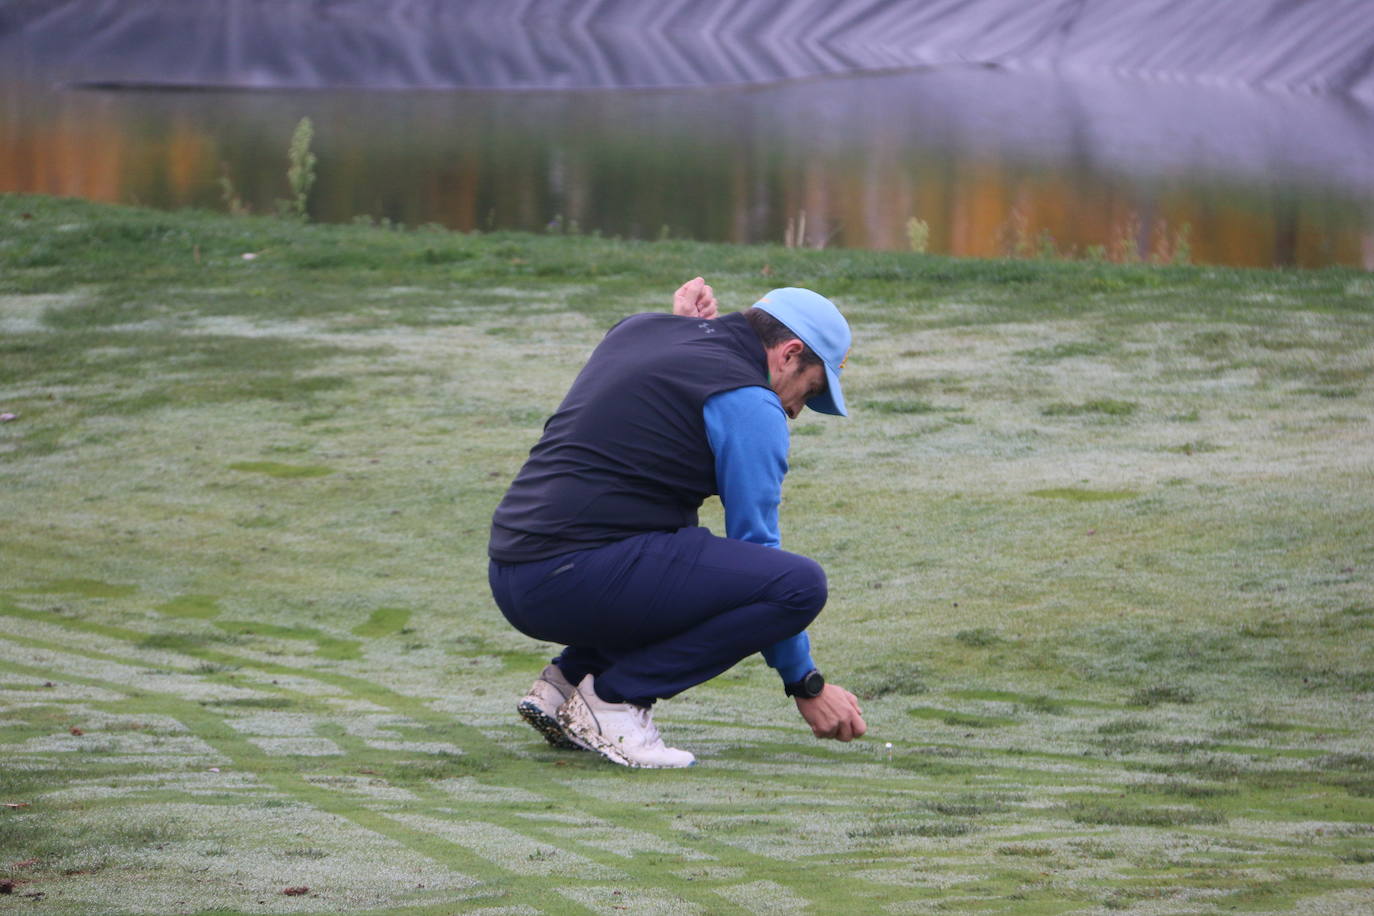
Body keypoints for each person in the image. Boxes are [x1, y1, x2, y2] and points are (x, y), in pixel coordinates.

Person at [487, 277, 867, 768]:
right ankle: (616, 701)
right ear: (790, 353)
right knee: (796, 586)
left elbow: (648, 395)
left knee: (684, 546)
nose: (795, 410)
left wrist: (681, 328)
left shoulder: (640, 329)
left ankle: (565, 686)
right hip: (571, 580)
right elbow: (757, 547)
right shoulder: (751, 402)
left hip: (514, 571)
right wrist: (804, 681)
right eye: (808, 390)